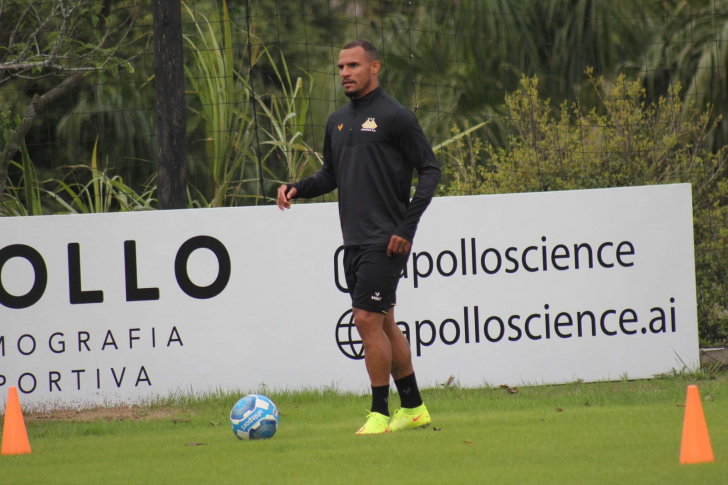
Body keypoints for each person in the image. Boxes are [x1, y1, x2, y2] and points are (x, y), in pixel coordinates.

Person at [277, 40, 441, 435]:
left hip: (386, 240)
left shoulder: (396, 116)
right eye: (340, 67)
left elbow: (430, 170)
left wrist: (406, 228)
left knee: (366, 319)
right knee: (384, 325)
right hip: (353, 240)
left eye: (353, 65)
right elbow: (330, 176)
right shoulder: (337, 120)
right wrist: (298, 187)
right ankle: (415, 408)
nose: (345, 73)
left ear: (375, 68)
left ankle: (380, 413)